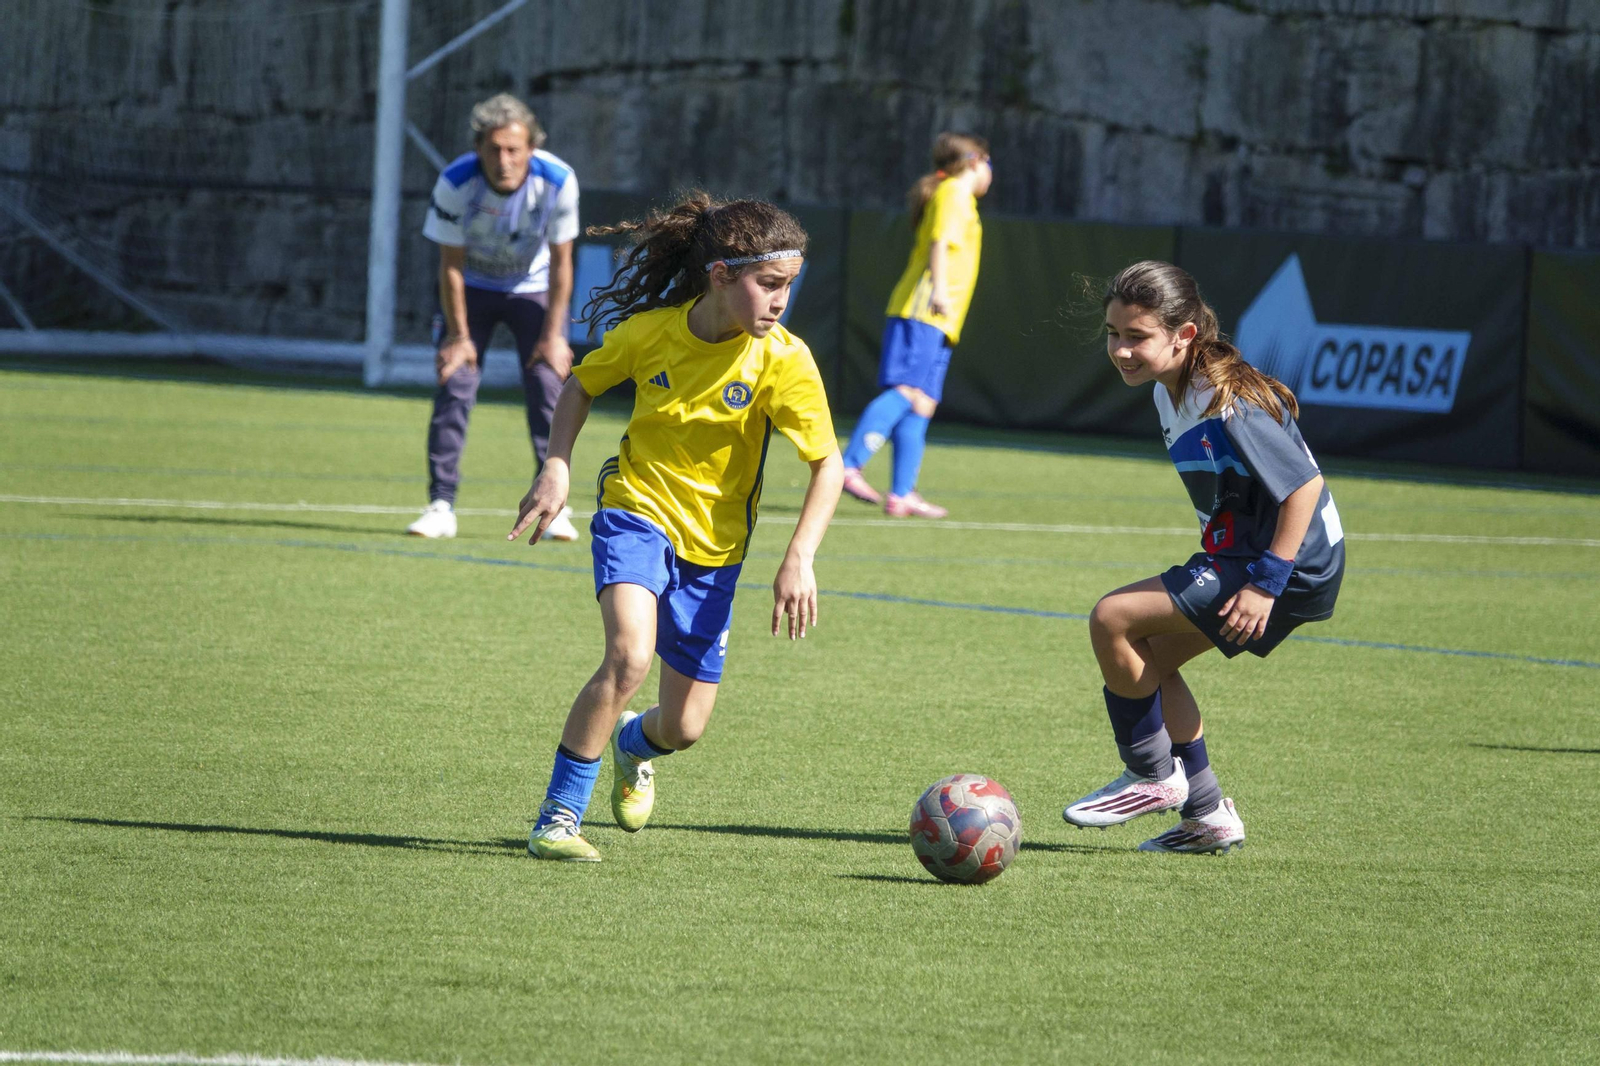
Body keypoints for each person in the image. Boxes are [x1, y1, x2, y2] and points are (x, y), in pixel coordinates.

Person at [507, 192, 845, 862]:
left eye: (790, 287)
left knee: (684, 728)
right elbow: (580, 385)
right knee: (629, 654)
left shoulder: (784, 359)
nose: (781, 302)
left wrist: (799, 556)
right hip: (635, 511)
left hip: (716, 549)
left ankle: (632, 745)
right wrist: (556, 467)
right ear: (721, 276)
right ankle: (557, 819)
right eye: (770, 285)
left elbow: (827, 465)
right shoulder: (650, 334)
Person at [1061, 260, 1346, 854]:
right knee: (1152, 663)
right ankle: (1208, 815)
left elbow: (1304, 488)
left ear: (1184, 334)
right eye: (1113, 334)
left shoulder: (1223, 396)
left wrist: (1266, 582)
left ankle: (1153, 775)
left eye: (1137, 336)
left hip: (1281, 564)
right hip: (1254, 554)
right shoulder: (1174, 391)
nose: (1120, 350)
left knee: (1113, 618)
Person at [406, 93, 581, 542]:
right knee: (456, 380)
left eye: (513, 149)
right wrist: (459, 337)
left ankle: (555, 504)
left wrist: (554, 336)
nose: (504, 160)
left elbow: (563, 264)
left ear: (530, 149)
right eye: (494, 149)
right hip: (473, 288)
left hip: (534, 288)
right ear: (478, 149)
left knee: (549, 383)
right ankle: (441, 505)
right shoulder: (455, 182)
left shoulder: (559, 180)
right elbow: (449, 265)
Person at [839, 132, 991, 518]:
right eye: (988, 162)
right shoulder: (954, 191)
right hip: (924, 309)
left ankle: (902, 493)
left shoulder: (959, 196)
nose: (991, 171)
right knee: (907, 390)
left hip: (941, 318)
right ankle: (848, 465)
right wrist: (939, 291)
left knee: (923, 401)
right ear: (975, 162)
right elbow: (940, 243)